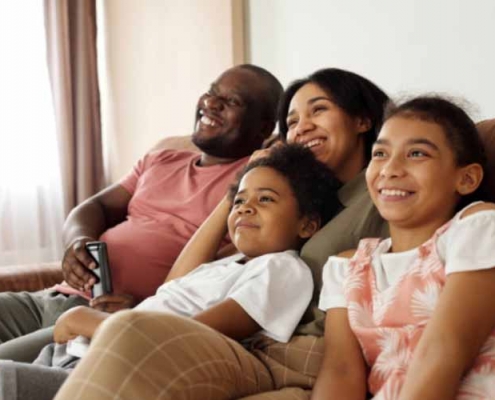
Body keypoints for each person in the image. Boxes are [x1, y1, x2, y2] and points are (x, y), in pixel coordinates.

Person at [0, 144, 342, 400]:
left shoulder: (283, 269)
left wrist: (87, 321)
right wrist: (230, 198)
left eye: (265, 199)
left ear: (307, 224)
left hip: (115, 368)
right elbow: (172, 286)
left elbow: (187, 337)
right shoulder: (231, 263)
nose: (245, 206)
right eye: (239, 200)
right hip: (82, 349)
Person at [0, 64, 283, 362]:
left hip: (107, 318)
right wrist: (77, 241)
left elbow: (225, 278)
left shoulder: (253, 183)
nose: (211, 103)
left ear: (264, 128)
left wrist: (149, 309)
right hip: (55, 297)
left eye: (232, 101)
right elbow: (94, 207)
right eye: (212, 93)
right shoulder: (161, 160)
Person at [313, 96, 495, 399]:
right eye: (380, 153)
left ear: (466, 178)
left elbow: (444, 351)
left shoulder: (477, 228)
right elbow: (340, 371)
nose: (391, 169)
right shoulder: (346, 268)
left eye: (416, 153)